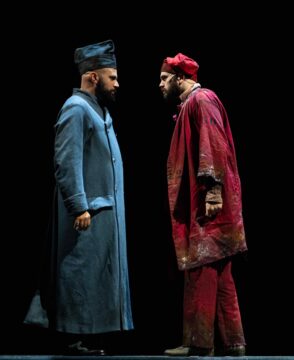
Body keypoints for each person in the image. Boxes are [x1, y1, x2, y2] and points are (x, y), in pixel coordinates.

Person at [24, 39, 134, 355]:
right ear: (93, 77)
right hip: (87, 214)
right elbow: (66, 162)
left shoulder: (99, 111)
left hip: (103, 213)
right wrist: (78, 205)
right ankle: (73, 338)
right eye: (112, 76)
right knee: (79, 272)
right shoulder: (76, 109)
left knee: (94, 275)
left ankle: (85, 338)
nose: (117, 83)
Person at [159, 53, 248, 356]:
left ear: (180, 78)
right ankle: (233, 343)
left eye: (164, 79)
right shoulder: (190, 106)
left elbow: (214, 142)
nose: (160, 84)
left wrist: (212, 192)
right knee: (220, 269)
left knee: (202, 265)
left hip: (212, 202)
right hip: (211, 199)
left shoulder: (202, 100)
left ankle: (198, 343)